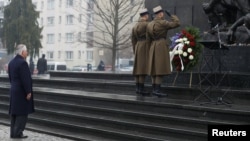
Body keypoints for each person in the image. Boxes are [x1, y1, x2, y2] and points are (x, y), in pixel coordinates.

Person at [147, 5, 180, 97]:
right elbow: (177, 23)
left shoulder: (150, 24)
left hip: (153, 45)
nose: (163, 15)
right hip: (161, 45)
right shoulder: (163, 23)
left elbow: (147, 38)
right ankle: (157, 90)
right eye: (162, 13)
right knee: (159, 70)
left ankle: (154, 89)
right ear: (160, 14)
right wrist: (171, 15)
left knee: (154, 70)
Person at [8, 44, 35, 138]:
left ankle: (13, 132)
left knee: (14, 113)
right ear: (22, 52)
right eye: (26, 51)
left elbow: (10, 78)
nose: (27, 53)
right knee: (22, 113)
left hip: (14, 90)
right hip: (21, 92)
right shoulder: (23, 63)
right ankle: (18, 133)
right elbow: (25, 79)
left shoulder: (11, 62)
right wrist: (28, 91)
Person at [131, 8, 150, 96]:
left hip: (138, 46)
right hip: (145, 46)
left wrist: (135, 49)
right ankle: (141, 89)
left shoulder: (135, 26)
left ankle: (138, 88)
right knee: (142, 69)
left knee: (137, 69)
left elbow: (133, 40)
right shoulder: (147, 24)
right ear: (145, 16)